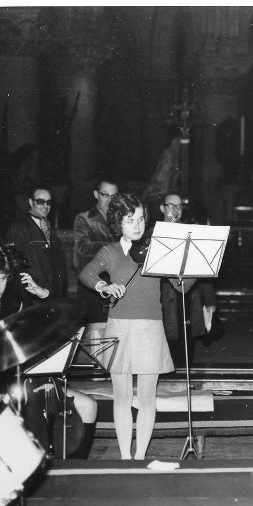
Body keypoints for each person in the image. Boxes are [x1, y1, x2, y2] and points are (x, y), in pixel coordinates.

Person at [0, 246, 98, 459]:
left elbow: (54, 321)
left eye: (2, 279)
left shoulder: (15, 301)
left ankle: (74, 467)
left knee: (88, 406)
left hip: (29, 380)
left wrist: (42, 294)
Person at [79, 192, 174, 460]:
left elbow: (183, 287)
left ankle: (140, 456)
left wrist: (182, 265)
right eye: (130, 220)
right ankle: (124, 457)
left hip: (150, 328)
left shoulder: (155, 251)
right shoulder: (109, 251)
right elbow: (87, 273)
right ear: (117, 223)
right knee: (121, 397)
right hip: (119, 327)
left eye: (141, 219)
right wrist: (104, 285)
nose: (137, 225)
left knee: (146, 398)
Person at [158, 192, 218, 363]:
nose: (175, 210)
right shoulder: (151, 234)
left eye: (179, 206)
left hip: (189, 296)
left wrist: (210, 301)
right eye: (171, 205)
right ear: (162, 208)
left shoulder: (191, 232)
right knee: (164, 347)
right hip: (163, 297)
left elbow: (203, 267)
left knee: (186, 347)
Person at [4, 186, 67, 305]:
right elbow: (17, 268)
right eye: (40, 201)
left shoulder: (49, 228)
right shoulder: (18, 228)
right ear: (30, 202)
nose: (45, 206)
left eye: (48, 202)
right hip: (33, 298)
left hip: (52, 298)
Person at [73, 179, 119, 340]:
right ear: (95, 194)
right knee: (94, 340)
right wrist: (114, 247)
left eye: (113, 196)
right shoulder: (84, 218)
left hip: (116, 284)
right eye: (105, 195)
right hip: (93, 287)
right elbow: (83, 247)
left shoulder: (120, 219)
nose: (110, 200)